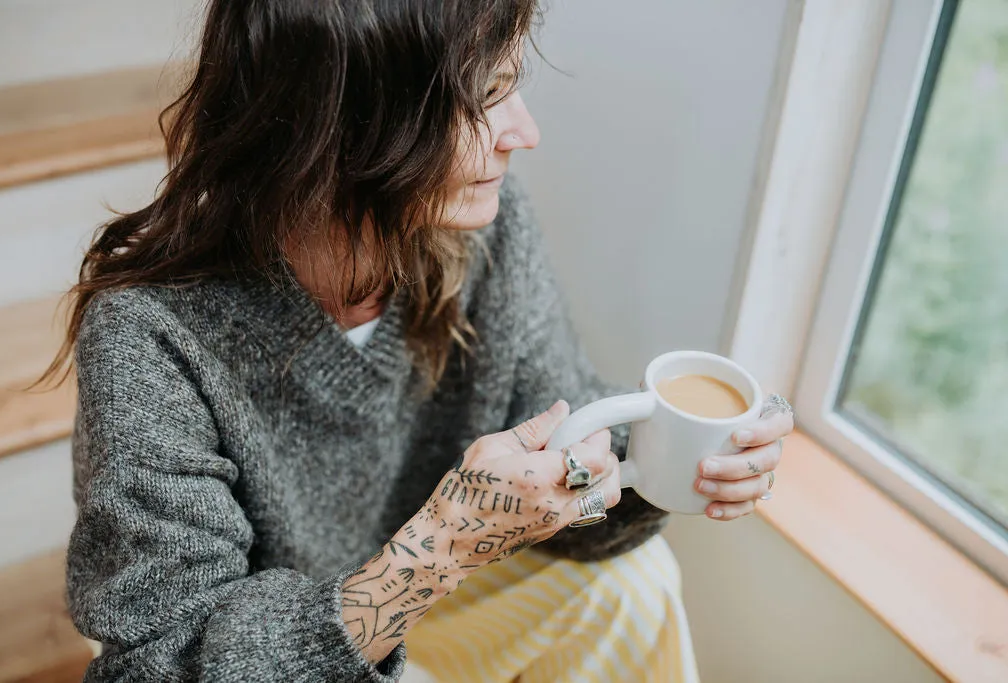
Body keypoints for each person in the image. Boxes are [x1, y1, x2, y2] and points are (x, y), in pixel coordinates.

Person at [50, 1, 793, 681]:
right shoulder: (150, 332)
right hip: (271, 652)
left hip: (426, 591)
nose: (524, 134)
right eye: (485, 96)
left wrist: (670, 458)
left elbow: (566, 451)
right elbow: (160, 663)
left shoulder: (488, 231)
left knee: (637, 584)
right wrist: (444, 544)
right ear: (347, 121)